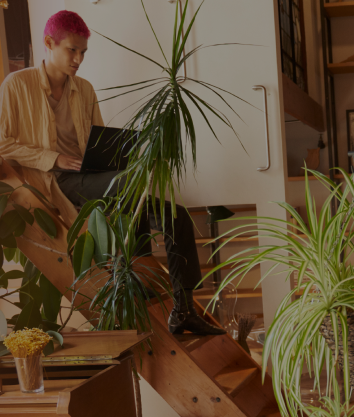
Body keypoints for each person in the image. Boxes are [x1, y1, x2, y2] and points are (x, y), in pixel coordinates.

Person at [0, 10, 224, 336]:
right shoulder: (17, 85)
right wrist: (53, 157)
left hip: (96, 180)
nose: (78, 59)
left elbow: (101, 140)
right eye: (71, 50)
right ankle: (139, 276)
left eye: (83, 52)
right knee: (126, 185)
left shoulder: (85, 89)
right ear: (49, 43)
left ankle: (184, 309)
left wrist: (135, 153)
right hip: (54, 181)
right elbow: (3, 144)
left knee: (178, 215)